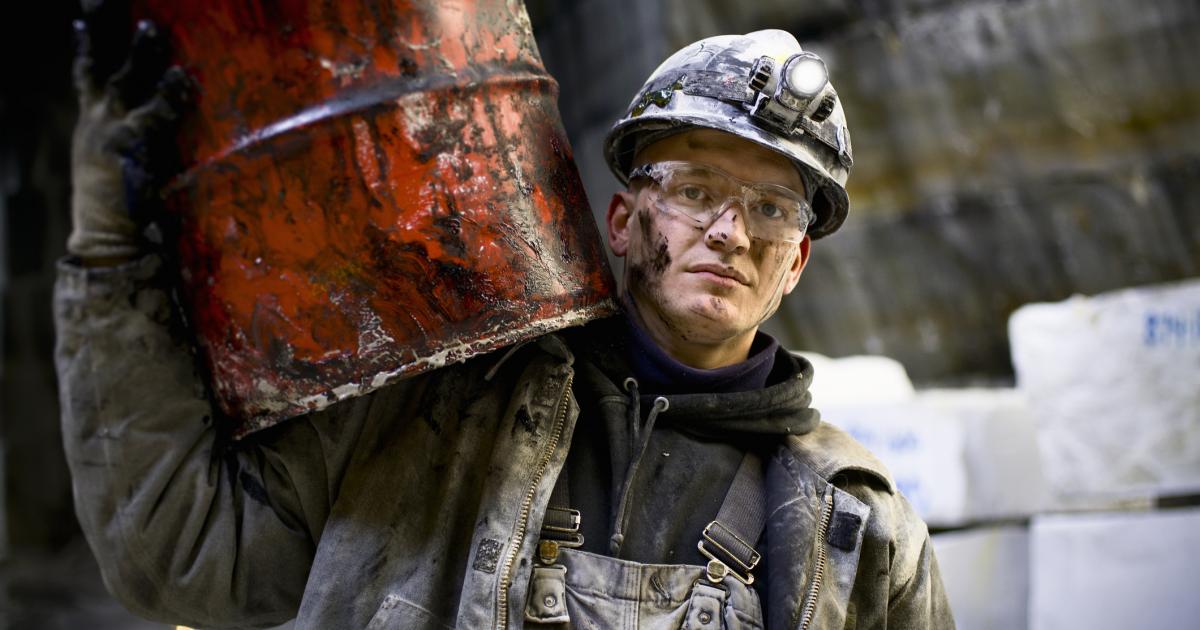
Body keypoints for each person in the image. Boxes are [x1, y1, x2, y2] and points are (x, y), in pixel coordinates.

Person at [57, 10, 953, 629]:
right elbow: (181, 553)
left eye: (771, 210)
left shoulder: (858, 532)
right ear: (623, 218)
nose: (730, 232)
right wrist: (107, 248)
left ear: (796, 261)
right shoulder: (434, 414)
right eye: (695, 191)